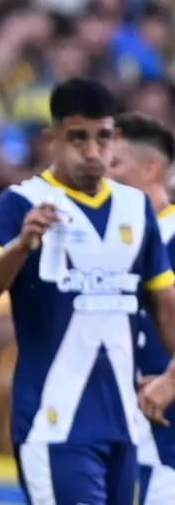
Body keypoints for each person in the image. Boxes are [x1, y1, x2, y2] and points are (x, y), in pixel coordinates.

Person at [0, 79, 175, 504]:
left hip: (124, 427)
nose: (93, 153)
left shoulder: (135, 209)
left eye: (102, 138)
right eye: (78, 138)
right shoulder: (19, 205)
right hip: (53, 425)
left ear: (115, 138)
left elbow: (167, 310)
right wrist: (18, 248)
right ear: (52, 139)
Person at [107, 112, 175, 505]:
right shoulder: (113, 240)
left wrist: (169, 381)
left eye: (115, 164)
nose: (102, 173)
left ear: (151, 168)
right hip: (127, 431)